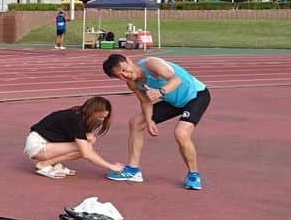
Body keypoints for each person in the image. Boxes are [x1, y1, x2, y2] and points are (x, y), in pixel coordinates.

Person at [102, 53, 211, 190]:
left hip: (195, 96)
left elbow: (177, 80)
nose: (126, 76)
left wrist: (161, 92)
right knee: (136, 122)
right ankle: (133, 170)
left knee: (181, 133)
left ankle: (193, 175)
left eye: (124, 70)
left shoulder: (151, 64)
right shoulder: (132, 82)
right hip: (173, 101)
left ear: (129, 61)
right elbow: (145, 101)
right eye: (120, 76)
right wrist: (149, 121)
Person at [25, 97, 124, 178]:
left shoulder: (79, 115)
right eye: (101, 117)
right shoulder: (76, 120)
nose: (102, 121)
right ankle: (44, 164)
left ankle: (51, 163)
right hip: (37, 146)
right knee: (86, 148)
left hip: (46, 143)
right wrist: (110, 166)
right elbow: (86, 153)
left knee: (90, 139)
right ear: (93, 112)